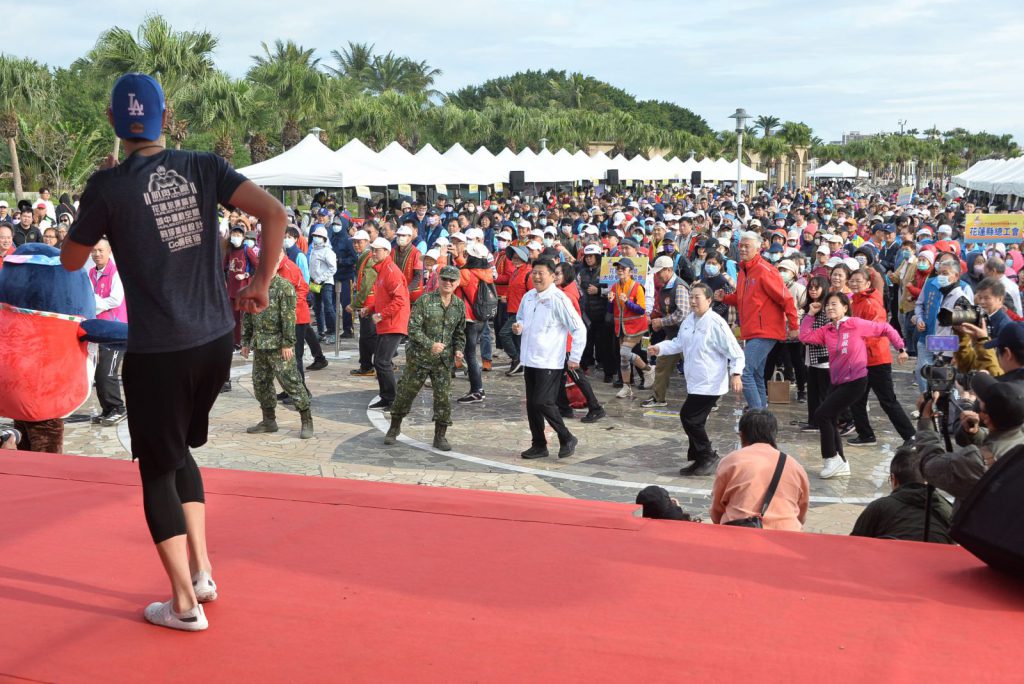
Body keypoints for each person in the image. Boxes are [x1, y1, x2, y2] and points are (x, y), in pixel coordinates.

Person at [61, 73, 287, 632]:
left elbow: (70, 259)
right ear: (165, 119)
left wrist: (98, 214)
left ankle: (184, 604)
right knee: (179, 450)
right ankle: (202, 572)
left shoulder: (107, 186)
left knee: (157, 468)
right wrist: (260, 282)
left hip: (159, 350)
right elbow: (274, 213)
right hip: (215, 341)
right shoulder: (205, 166)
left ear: (113, 122)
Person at [799, 293, 908, 479]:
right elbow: (805, 336)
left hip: (855, 381)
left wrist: (901, 348)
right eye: (827, 305)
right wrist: (809, 315)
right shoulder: (827, 330)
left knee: (822, 414)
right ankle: (839, 462)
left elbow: (885, 328)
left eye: (834, 304)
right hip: (836, 382)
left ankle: (831, 458)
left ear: (844, 307)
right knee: (830, 417)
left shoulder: (855, 324)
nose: (829, 308)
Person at [649, 283, 744, 475]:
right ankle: (700, 459)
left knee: (690, 417)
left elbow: (735, 352)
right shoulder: (688, 320)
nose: (692, 301)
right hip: (694, 381)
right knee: (694, 420)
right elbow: (679, 343)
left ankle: (708, 456)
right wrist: (660, 348)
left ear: (709, 300)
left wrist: (736, 374)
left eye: (697, 297)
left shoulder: (716, 323)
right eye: (691, 297)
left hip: (710, 382)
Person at [384, 265, 467, 451]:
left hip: (443, 361)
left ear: (457, 283)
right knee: (405, 393)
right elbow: (413, 329)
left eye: (452, 280)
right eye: (444, 279)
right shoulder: (425, 301)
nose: (448, 283)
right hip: (419, 359)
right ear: (438, 279)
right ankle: (394, 427)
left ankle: (440, 436)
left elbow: (459, 333)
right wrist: (430, 344)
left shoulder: (459, 305)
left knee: (443, 398)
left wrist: (458, 350)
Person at [717, 231, 798, 410]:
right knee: (756, 375)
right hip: (752, 330)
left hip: (765, 331)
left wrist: (793, 325)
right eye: (741, 246)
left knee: (744, 372)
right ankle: (762, 414)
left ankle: (756, 413)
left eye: (747, 246)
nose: (743, 249)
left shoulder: (765, 270)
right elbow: (742, 298)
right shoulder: (744, 270)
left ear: (758, 248)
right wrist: (725, 298)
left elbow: (786, 298)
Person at [515, 258, 586, 459]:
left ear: (553, 276)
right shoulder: (529, 297)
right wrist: (519, 327)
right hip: (530, 359)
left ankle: (567, 437)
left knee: (543, 402)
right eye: (534, 273)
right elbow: (520, 318)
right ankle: (539, 444)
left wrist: (575, 357)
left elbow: (579, 328)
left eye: (541, 273)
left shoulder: (558, 299)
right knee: (532, 405)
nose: (536, 277)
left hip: (550, 360)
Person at [241, 251, 313, 440]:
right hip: (260, 344)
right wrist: (246, 341)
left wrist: (288, 343)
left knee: (291, 382)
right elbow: (248, 314)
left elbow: (288, 317)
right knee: (260, 383)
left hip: (278, 345)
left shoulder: (284, 287)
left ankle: (306, 419)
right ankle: (269, 420)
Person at [846, 268, 916, 446]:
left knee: (887, 400)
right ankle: (865, 435)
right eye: (852, 280)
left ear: (867, 283)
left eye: (858, 281)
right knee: (856, 399)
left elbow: (876, 331)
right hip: (861, 359)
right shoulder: (855, 301)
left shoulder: (871, 303)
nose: (854, 284)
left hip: (876, 359)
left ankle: (910, 436)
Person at [710, 410, 810, 531]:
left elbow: (717, 509)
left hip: (740, 532)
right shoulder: (795, 466)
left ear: (741, 435)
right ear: (774, 435)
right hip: (786, 533)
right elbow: (801, 513)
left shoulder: (731, 461)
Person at [850, 444, 954, 543]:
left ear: (893, 479)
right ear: (926, 480)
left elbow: (852, 545)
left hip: (890, 555)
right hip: (937, 555)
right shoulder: (947, 510)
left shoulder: (879, 508)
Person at [366, 237, 410, 410]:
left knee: (383, 362)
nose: (373, 253)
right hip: (387, 322)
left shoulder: (391, 271)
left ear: (386, 251)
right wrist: (370, 309)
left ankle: (393, 399)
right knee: (379, 361)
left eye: (376, 250)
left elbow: (400, 300)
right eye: (372, 250)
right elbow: (383, 298)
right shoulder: (383, 270)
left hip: (394, 323)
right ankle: (386, 396)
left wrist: (381, 315)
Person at [642, 256, 690, 408]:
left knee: (693, 369)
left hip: (686, 336)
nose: (657, 275)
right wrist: (659, 322)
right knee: (662, 364)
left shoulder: (679, 286)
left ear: (669, 270)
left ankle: (707, 401)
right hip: (672, 335)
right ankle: (658, 398)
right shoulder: (665, 286)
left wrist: (662, 322)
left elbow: (682, 313)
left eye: (659, 272)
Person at [89, 238, 128, 426]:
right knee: (98, 373)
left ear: (109, 251)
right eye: (94, 251)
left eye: (101, 250)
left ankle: (118, 408)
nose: (97, 254)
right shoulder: (91, 272)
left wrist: (95, 303)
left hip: (115, 330)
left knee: (108, 371)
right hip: (98, 329)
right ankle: (108, 409)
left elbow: (115, 300)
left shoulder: (116, 272)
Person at [608, 257, 653, 398]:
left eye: (623, 268)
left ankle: (648, 370)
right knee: (623, 358)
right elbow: (611, 310)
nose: (620, 271)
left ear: (630, 271)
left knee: (626, 352)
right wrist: (610, 301)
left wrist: (627, 302)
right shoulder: (614, 287)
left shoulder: (637, 287)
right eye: (618, 268)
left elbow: (641, 310)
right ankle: (626, 386)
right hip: (621, 328)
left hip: (637, 327)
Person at [349, 229, 378, 377]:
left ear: (367, 242)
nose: (356, 245)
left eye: (359, 242)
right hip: (365, 301)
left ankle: (384, 361)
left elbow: (367, 284)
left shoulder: (369, 258)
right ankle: (366, 365)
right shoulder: (363, 256)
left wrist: (355, 303)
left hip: (369, 301)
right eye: (354, 242)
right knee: (366, 336)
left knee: (369, 335)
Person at [308, 225, 337, 343]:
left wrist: (320, 279)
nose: (316, 238)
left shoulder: (328, 251)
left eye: (319, 236)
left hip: (325, 283)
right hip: (315, 283)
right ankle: (321, 332)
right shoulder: (313, 249)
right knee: (317, 307)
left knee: (328, 308)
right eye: (315, 235)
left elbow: (333, 268)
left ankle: (333, 331)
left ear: (324, 238)